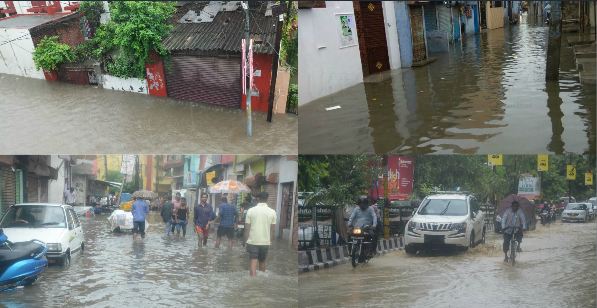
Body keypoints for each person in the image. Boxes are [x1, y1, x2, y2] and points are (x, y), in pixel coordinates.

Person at [244, 191, 276, 277]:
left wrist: (245, 240)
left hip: (253, 241)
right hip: (265, 242)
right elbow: (272, 230)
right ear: (267, 199)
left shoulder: (250, 211)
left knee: (253, 260)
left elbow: (247, 228)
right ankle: (262, 280)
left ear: (258, 199)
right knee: (262, 261)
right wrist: (270, 241)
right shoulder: (272, 212)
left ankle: (253, 281)